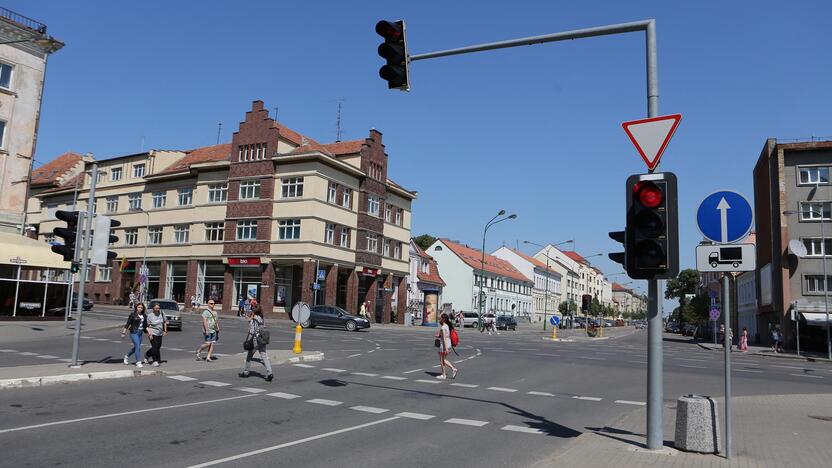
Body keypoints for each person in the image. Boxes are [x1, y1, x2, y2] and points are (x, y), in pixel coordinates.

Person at [239, 304, 273, 381]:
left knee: (249, 356)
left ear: (254, 311)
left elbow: (251, 331)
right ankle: (270, 373)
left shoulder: (254, 318)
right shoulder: (262, 318)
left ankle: (246, 372)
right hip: (262, 339)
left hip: (255, 340)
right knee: (264, 357)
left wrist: (248, 340)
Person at [121, 303, 147, 368]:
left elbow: (145, 325)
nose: (140, 309)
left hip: (140, 333)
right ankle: (138, 362)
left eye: (141, 307)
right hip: (134, 332)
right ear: (136, 308)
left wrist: (149, 333)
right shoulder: (132, 315)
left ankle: (126, 356)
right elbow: (127, 324)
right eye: (139, 307)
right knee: (138, 346)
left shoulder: (144, 315)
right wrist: (123, 333)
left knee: (136, 347)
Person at [435, 313, 458, 380]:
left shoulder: (443, 327)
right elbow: (445, 335)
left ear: (443, 319)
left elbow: (444, 338)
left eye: (440, 318)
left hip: (444, 345)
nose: (439, 319)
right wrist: (439, 336)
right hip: (448, 344)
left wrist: (446, 348)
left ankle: (445, 374)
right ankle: (451, 370)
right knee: (443, 359)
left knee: (442, 360)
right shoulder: (447, 326)